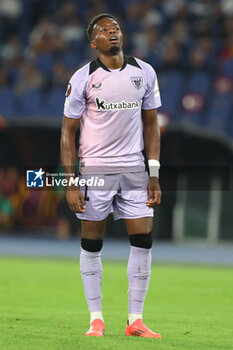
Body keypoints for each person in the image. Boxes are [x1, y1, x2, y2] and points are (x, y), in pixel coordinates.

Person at [60, 13, 162, 338]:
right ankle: (96, 319)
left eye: (115, 27)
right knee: (92, 243)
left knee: (143, 241)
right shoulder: (82, 78)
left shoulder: (144, 72)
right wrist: (71, 181)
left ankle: (135, 320)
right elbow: (67, 133)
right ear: (94, 43)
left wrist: (154, 172)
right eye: (104, 30)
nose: (111, 31)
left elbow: (151, 125)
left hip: (134, 168)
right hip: (95, 169)